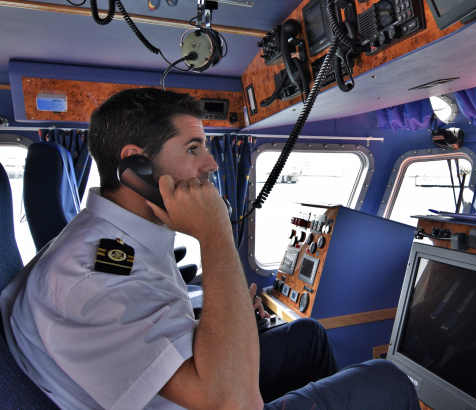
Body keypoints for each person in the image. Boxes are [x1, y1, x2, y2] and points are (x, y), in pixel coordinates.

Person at [0, 88, 421, 410]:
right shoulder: (91, 276)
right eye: (192, 148)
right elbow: (233, 403)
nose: (212, 164)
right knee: (387, 381)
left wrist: (230, 316)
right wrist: (215, 233)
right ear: (136, 167)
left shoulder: (120, 235)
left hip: (175, 386)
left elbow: (155, 322)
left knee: (306, 337)